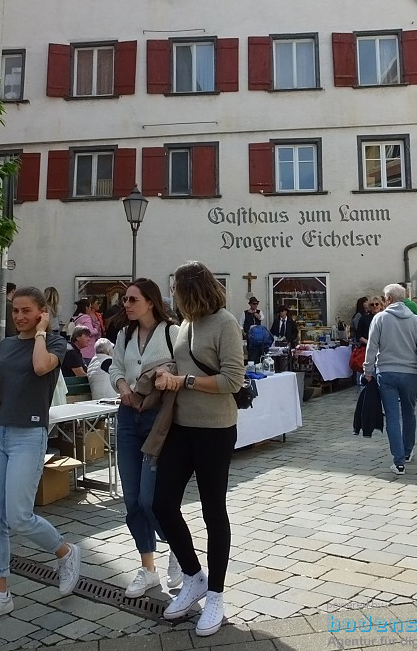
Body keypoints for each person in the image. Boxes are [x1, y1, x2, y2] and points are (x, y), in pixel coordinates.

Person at [0, 286, 81, 626]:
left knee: (18, 516)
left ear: (42, 312)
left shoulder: (55, 344)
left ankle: (65, 552)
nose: (19, 316)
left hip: (28, 435)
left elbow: (41, 366)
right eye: (15, 310)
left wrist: (43, 333)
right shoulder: (5, 345)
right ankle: (0, 593)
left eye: (27, 311)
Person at [151, 261, 245, 636]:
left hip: (215, 430)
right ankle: (194, 576)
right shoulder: (185, 324)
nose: (171, 293)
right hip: (181, 427)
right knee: (161, 504)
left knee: (212, 511)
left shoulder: (226, 323)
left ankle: (217, 595)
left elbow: (233, 380)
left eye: (175, 287)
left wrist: (184, 379)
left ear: (190, 289)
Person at [109, 279, 182, 598]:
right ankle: (148, 568)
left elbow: (182, 371)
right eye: (125, 299)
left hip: (157, 418)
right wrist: (123, 387)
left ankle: (179, 548)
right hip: (127, 416)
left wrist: (168, 379)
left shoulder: (172, 332)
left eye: (132, 299)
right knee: (131, 500)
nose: (126, 304)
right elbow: (114, 368)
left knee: (150, 501)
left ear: (150, 302)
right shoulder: (124, 334)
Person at [362, 284, 417, 474]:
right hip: (410, 373)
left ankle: (399, 460)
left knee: (393, 416)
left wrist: (367, 370)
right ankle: (408, 451)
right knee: (409, 412)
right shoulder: (416, 320)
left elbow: (371, 347)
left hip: (386, 372)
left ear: (388, 299)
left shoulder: (380, 318)